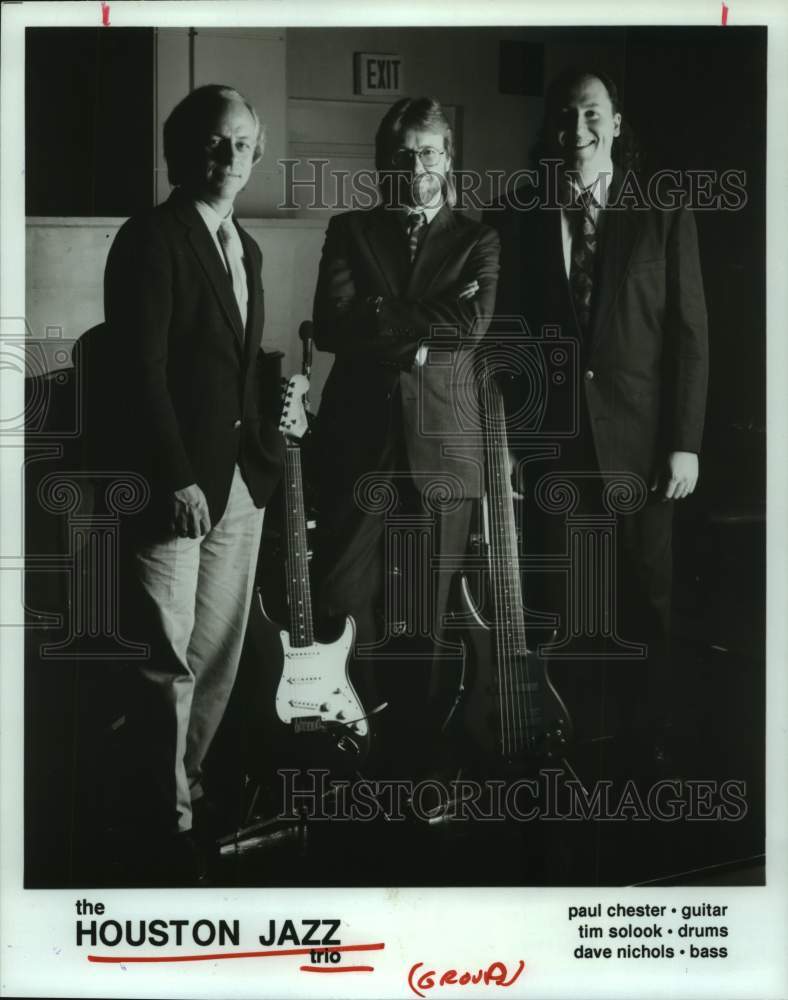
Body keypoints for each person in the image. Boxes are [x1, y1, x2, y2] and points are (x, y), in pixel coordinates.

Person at [485, 69, 708, 763]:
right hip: (556, 447)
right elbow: (510, 338)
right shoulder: (522, 213)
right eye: (565, 118)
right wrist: (518, 447)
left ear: (615, 122)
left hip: (643, 449)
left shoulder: (663, 210)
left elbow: (690, 337)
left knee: (645, 598)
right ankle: (574, 742)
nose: (576, 130)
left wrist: (685, 444)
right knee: (567, 600)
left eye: (591, 115)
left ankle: (650, 747)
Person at [102, 84, 284, 882]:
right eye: (214, 142)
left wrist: (279, 426)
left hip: (240, 485)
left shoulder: (245, 247)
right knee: (164, 664)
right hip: (174, 489)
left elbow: (236, 373)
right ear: (180, 151)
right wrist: (175, 476)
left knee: (214, 657)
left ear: (256, 153)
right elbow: (137, 373)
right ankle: (160, 825)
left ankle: (191, 792)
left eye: (241, 144)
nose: (229, 157)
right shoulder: (150, 237)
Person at [311, 97, 500, 756]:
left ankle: (414, 760)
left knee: (423, 617)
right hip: (356, 445)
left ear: (448, 158)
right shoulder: (351, 229)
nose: (415, 164)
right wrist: (424, 331)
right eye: (402, 152)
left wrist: (383, 312)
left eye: (428, 150)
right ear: (383, 162)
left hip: (443, 450)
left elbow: (473, 329)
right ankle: (352, 742)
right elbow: (333, 325)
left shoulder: (479, 238)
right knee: (339, 600)